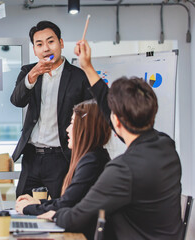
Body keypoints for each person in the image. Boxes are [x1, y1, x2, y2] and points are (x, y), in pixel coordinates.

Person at [37, 41, 183, 239]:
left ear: (116, 121)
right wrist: (87, 67)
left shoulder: (123, 170)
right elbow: (111, 110)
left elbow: (76, 218)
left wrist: (55, 213)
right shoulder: (166, 146)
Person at [10, 20, 93, 199]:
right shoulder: (28, 71)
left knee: (59, 208)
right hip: (32, 155)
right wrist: (33, 75)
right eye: (39, 44)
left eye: (51, 41)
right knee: (22, 204)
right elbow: (17, 101)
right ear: (34, 50)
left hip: (61, 156)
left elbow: (90, 115)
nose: (46, 48)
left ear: (61, 43)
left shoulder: (78, 76)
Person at [15, 99, 111, 219]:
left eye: (72, 123)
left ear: (85, 128)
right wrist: (39, 203)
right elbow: (68, 200)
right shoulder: (94, 157)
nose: (67, 129)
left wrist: (27, 208)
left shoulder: (92, 162)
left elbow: (66, 204)